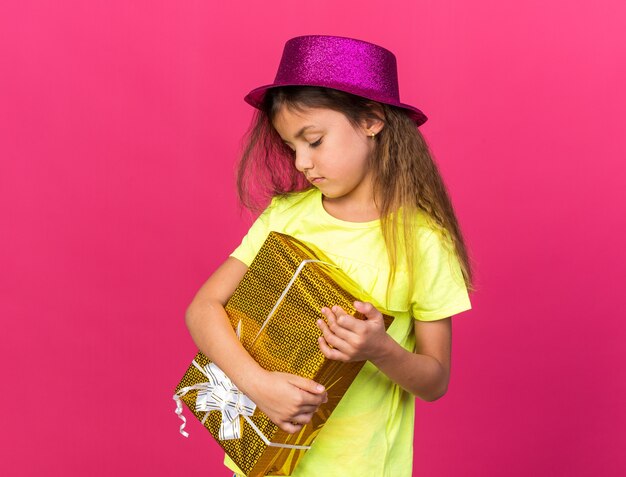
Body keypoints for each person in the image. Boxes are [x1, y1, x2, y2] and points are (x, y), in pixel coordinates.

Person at [185, 35, 474, 477]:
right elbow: (203, 308)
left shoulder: (423, 242)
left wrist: (379, 348)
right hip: (262, 457)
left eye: (314, 140)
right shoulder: (285, 215)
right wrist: (257, 385)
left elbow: (435, 381)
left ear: (372, 120)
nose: (302, 161)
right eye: (290, 146)